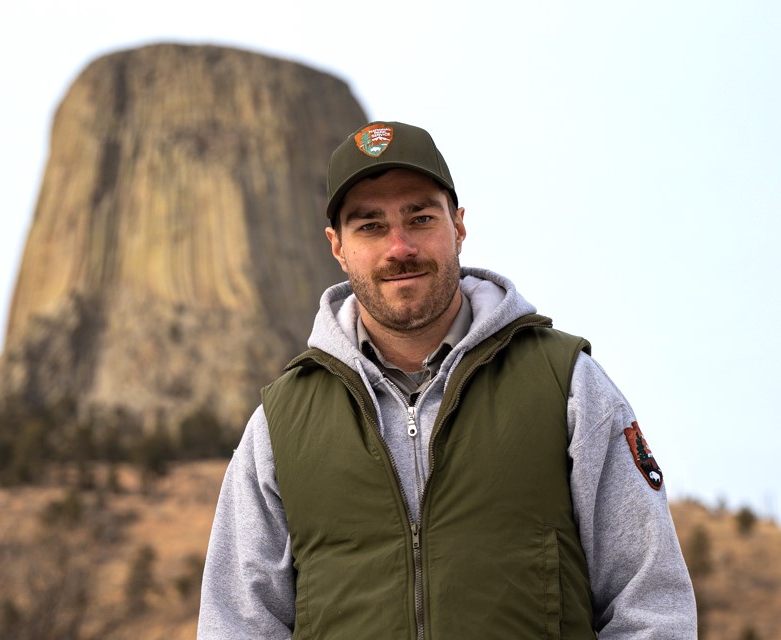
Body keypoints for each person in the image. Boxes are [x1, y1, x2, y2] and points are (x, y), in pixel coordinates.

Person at [198, 121, 697, 639]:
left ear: (458, 227)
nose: (399, 246)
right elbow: (237, 624)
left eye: (420, 218)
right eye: (369, 226)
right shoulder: (280, 424)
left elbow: (650, 605)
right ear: (337, 247)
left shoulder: (566, 385)